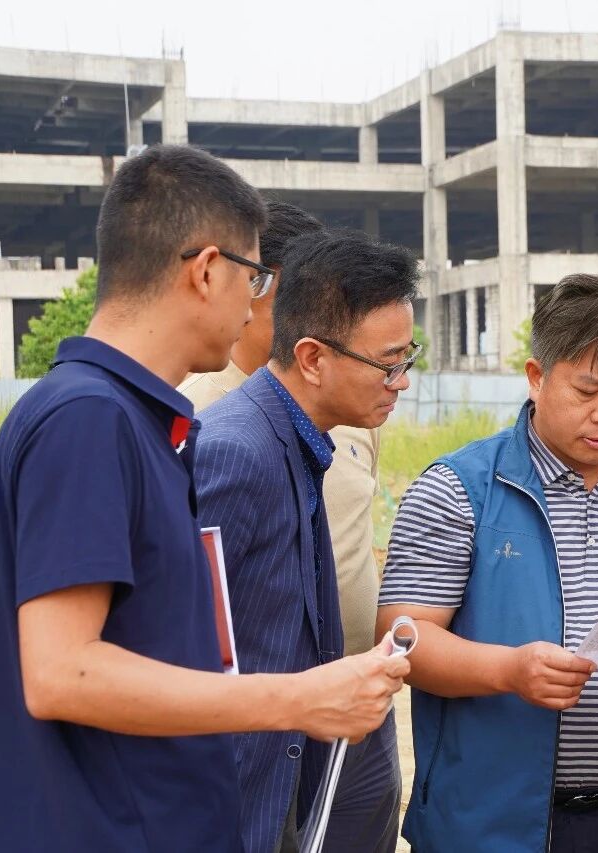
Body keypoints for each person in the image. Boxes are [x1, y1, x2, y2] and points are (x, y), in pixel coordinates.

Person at [0, 144, 408, 853]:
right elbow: (62, 673)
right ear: (207, 270)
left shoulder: (137, 421)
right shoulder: (89, 419)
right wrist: (299, 697)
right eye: (255, 275)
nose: (259, 302)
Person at [378, 273, 598, 853]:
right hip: (493, 821)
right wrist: (509, 670)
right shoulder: (458, 489)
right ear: (536, 377)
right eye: (587, 390)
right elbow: (402, 639)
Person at [181, 203, 402, 852]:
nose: (400, 382)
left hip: (325, 722)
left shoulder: (312, 431)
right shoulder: (229, 445)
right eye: (388, 362)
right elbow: (192, 651)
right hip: (253, 757)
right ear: (311, 356)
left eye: (406, 358)